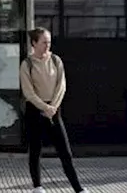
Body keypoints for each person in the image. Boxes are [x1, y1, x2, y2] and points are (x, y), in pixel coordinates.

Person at [19, 27, 88, 193]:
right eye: (43, 42)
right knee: (35, 150)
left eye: (49, 42)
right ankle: (38, 186)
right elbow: (28, 92)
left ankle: (78, 188)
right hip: (35, 110)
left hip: (54, 110)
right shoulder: (27, 64)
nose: (47, 46)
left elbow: (61, 86)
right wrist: (44, 107)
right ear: (34, 43)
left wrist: (53, 107)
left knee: (65, 151)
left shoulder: (56, 61)